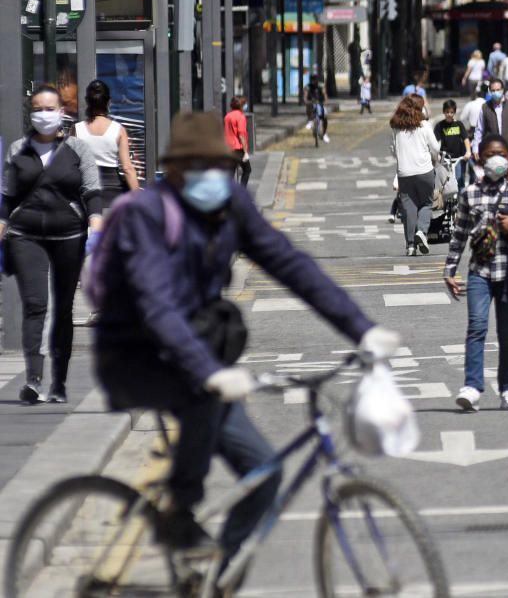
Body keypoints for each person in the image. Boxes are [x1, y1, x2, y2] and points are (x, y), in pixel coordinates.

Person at [93, 110, 398, 566]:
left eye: (220, 165)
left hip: (195, 352)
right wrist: (210, 374)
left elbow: (289, 263)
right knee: (201, 396)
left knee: (265, 473)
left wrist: (362, 328)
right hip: (134, 353)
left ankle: (219, 574)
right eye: (201, 166)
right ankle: (180, 507)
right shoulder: (148, 215)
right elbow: (156, 306)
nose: (214, 175)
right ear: (174, 169)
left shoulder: (228, 206)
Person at [2, 85, 103, 404]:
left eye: (50, 108)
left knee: (62, 309)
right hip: (25, 234)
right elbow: (6, 196)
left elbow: (92, 190)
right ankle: (32, 380)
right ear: (30, 111)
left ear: (62, 111)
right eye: (37, 108)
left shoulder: (78, 149)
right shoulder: (18, 149)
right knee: (35, 305)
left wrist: (96, 225)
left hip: (68, 234)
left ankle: (58, 381)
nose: (43, 114)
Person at [444, 135, 508, 412]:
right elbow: (459, 234)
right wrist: (449, 271)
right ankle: (472, 387)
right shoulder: (470, 193)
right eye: (488, 154)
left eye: (500, 154)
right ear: (479, 158)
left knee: (507, 332)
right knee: (476, 327)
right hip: (480, 271)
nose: (494, 159)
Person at [75, 79, 139, 210]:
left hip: (86, 195)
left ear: (87, 102)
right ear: (109, 102)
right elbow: (127, 168)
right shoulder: (118, 130)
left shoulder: (77, 129)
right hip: (113, 196)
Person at [390, 95, 440, 256]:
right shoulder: (424, 125)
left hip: (404, 172)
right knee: (426, 203)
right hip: (424, 170)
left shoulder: (397, 127)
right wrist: (435, 159)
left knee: (408, 208)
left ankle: (410, 245)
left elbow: (394, 150)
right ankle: (422, 232)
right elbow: (435, 148)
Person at [472, 78, 508, 161]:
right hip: (491, 148)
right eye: (493, 90)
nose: (496, 92)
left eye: (498, 90)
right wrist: (475, 147)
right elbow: (479, 130)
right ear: (490, 91)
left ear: (502, 90)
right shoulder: (485, 107)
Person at [434, 99, 472, 190]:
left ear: (454, 112)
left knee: (459, 180)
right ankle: (444, 201)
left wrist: (468, 152)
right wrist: (436, 155)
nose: (449, 114)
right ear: (444, 112)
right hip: (445, 158)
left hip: (458, 158)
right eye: (447, 112)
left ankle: (462, 201)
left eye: (451, 112)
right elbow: (435, 142)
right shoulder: (440, 126)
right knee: (444, 181)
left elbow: (465, 138)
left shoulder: (459, 125)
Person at [224, 96, 251, 187]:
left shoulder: (227, 116)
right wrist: (245, 152)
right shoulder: (240, 117)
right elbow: (241, 135)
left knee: (231, 172)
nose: (245, 106)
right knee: (247, 170)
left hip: (228, 147)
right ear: (241, 105)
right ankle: (241, 192)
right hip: (238, 148)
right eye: (244, 104)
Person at [305, 75, 329, 143]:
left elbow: (325, 95)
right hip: (312, 102)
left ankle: (324, 133)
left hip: (320, 102)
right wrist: (307, 101)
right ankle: (310, 121)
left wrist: (325, 102)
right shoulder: (307, 87)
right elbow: (305, 97)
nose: (314, 82)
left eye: (315, 80)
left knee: (325, 117)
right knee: (309, 107)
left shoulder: (321, 86)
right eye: (312, 80)